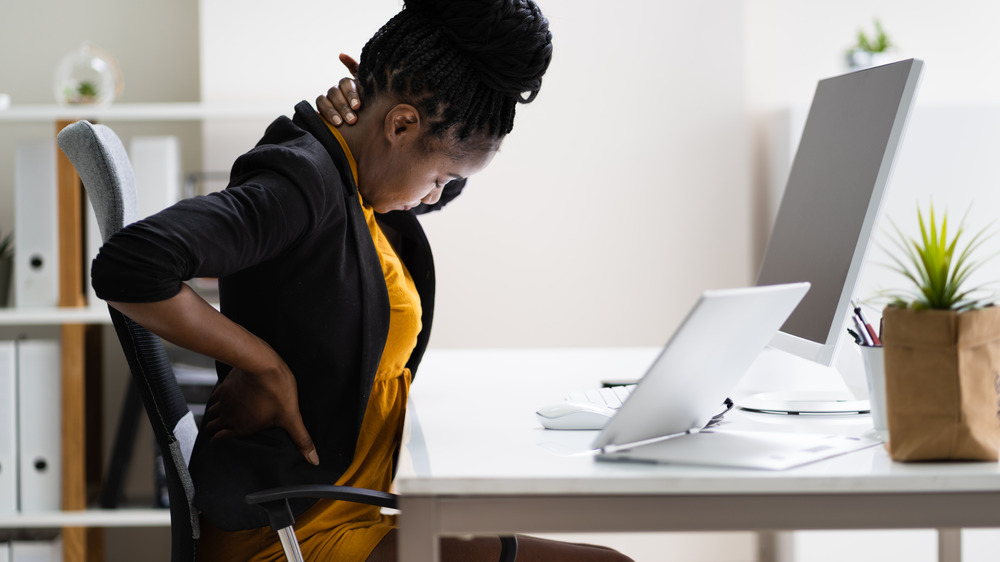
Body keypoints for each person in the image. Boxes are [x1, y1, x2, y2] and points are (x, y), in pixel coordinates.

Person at [91, 0, 632, 560]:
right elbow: (132, 263)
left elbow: (412, 179)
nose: (434, 197)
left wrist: (389, 119)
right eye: (441, 178)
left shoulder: (355, 186)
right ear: (400, 124)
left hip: (350, 507)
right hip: (291, 534)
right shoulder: (302, 183)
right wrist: (264, 365)